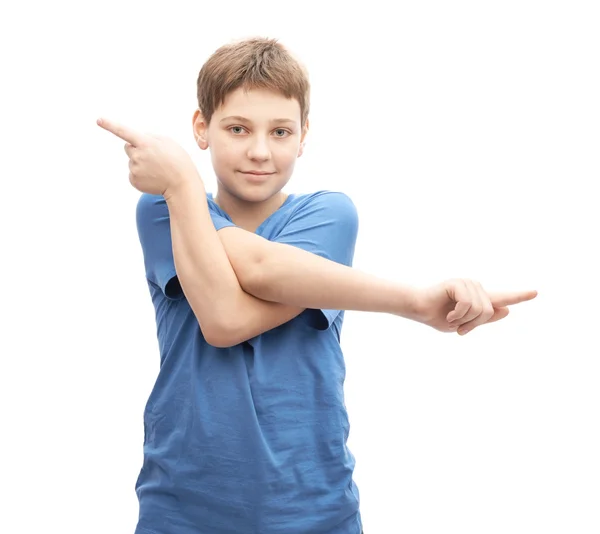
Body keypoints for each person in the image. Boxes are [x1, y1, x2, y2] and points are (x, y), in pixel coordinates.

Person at [97, 37, 537, 534]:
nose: (260, 150)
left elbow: (259, 272)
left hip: (312, 507)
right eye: (238, 128)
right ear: (202, 127)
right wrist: (178, 185)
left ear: (304, 135)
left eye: (280, 131)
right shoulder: (163, 208)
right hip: (182, 508)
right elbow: (225, 319)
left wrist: (178, 181)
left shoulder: (329, 214)